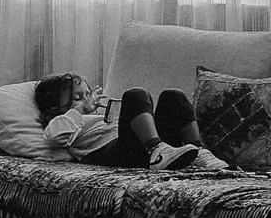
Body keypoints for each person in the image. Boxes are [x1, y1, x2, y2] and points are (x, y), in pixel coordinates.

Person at [33, 74, 228, 173]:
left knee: (173, 96)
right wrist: (80, 110)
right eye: (77, 98)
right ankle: (155, 149)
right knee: (135, 94)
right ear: (54, 108)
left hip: (139, 147)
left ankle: (197, 152)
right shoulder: (64, 121)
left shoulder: (97, 117)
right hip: (118, 153)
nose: (86, 100)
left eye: (87, 94)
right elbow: (54, 136)